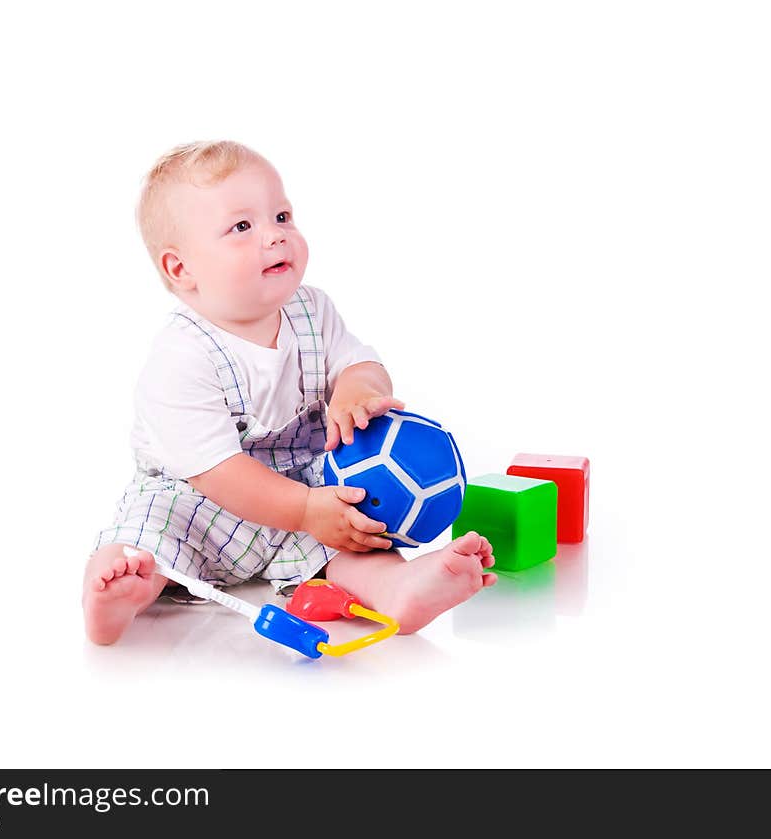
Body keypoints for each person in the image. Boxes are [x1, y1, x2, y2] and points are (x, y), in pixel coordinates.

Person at [83, 140, 496, 645]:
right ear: (181, 269)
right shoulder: (180, 358)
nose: (275, 237)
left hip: (302, 490)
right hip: (199, 503)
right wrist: (303, 509)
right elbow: (219, 472)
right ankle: (118, 591)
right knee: (146, 538)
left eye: (281, 216)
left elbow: (360, 362)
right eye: (242, 227)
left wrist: (355, 392)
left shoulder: (312, 311)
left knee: (354, 529)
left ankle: (397, 587)